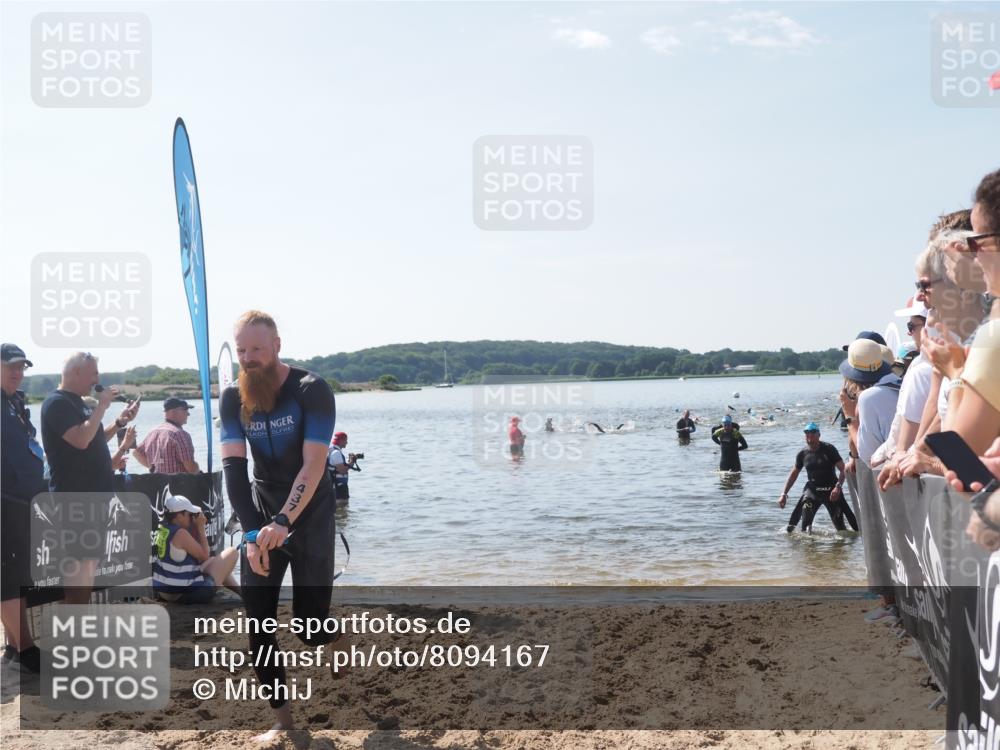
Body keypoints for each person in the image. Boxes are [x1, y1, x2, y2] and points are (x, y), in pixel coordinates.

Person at [219, 311, 340, 739]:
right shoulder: (233, 397)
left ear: (276, 347)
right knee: (258, 622)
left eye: (256, 349)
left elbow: (313, 465)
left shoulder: (311, 390)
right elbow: (234, 470)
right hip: (262, 509)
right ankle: (285, 723)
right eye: (241, 350)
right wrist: (253, 535)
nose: (249, 359)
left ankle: (332, 635)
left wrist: (285, 520)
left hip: (308, 514)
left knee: (309, 627)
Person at [40, 352, 140, 604]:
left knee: (87, 567)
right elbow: (81, 440)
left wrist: (119, 422)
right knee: (78, 569)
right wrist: (104, 405)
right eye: (94, 373)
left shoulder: (78, 403)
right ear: (76, 373)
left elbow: (94, 437)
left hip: (94, 498)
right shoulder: (57, 403)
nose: (97, 379)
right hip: (75, 500)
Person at [1, 344, 45, 673]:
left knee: (18, 575)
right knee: (9, 576)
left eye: (22, 367)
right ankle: (26, 649)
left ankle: (15, 646)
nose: (18, 372)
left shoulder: (16, 402)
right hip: (4, 501)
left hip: (23, 499)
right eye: (11, 366)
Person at [152, 495, 239, 602]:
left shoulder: (163, 529)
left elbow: (206, 560)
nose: (192, 517)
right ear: (179, 516)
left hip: (165, 592)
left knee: (213, 561)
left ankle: (243, 593)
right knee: (232, 552)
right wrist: (200, 527)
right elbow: (204, 556)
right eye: (189, 514)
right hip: (185, 594)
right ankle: (245, 593)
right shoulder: (180, 534)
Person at [778, 423, 857, 533]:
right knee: (804, 526)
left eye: (812, 433)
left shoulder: (829, 449)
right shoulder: (802, 454)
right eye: (807, 433)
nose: (809, 436)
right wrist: (784, 494)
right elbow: (794, 474)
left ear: (819, 434)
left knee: (841, 529)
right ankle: (808, 547)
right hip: (812, 490)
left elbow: (843, 470)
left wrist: (838, 487)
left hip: (831, 491)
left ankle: (845, 546)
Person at [133, 397, 200, 474]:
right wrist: (197, 469)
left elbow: (136, 453)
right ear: (173, 412)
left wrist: (152, 468)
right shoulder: (179, 434)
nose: (188, 414)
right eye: (185, 410)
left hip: (158, 484)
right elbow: (191, 469)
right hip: (179, 484)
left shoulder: (153, 432)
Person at [327, 431, 358, 503]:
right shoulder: (336, 453)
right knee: (343, 507)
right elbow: (342, 471)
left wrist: (349, 462)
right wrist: (352, 462)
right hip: (339, 486)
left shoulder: (331, 450)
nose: (347, 442)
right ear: (341, 441)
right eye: (346, 440)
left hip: (334, 485)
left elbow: (338, 467)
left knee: (340, 511)